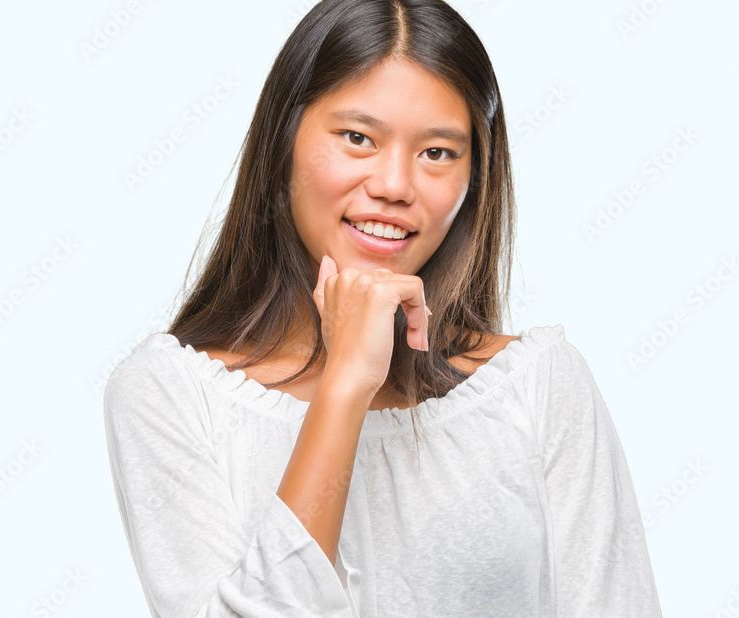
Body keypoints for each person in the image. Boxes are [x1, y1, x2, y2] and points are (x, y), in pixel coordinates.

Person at [103, 0, 662, 615]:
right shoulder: (171, 395)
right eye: (357, 138)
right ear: (283, 143)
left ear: (476, 176)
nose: (395, 186)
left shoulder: (536, 385)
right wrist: (345, 386)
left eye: (438, 153)